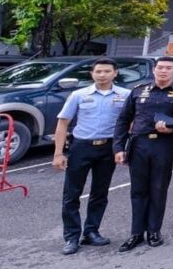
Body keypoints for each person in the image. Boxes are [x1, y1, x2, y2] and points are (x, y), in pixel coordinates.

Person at [114, 57, 173, 251]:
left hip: (164, 145)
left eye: (168, 68)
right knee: (138, 190)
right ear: (154, 69)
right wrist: (118, 148)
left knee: (158, 188)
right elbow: (123, 120)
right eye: (160, 67)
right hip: (139, 144)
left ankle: (154, 230)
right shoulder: (138, 90)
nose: (163, 71)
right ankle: (136, 233)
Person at [54, 58, 127, 254]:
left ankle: (92, 231)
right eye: (98, 71)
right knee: (71, 194)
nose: (102, 75)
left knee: (100, 193)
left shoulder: (125, 95)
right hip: (81, 147)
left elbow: (130, 123)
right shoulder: (78, 95)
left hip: (108, 148)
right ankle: (71, 237)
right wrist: (58, 153)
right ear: (92, 74)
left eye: (106, 71)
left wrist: (124, 148)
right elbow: (63, 124)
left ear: (115, 73)